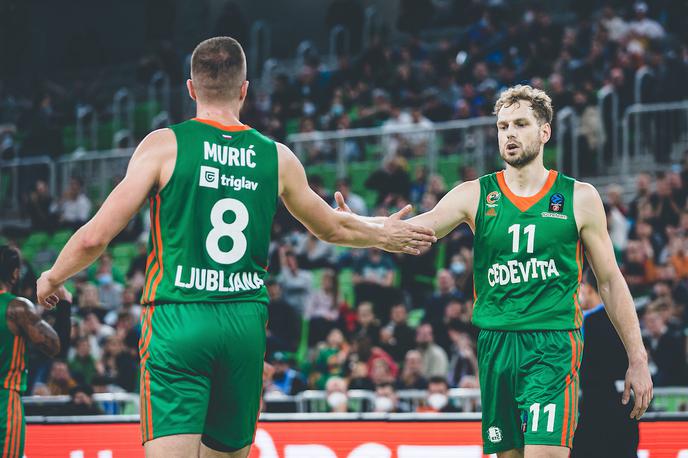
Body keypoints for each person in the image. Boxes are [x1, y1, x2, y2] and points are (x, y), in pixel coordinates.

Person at [36, 36, 436, 458]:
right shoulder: (276, 156)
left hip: (178, 318)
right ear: (245, 89)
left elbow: (96, 236)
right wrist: (383, 233)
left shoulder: (164, 145)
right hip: (244, 324)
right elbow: (331, 228)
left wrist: (52, 276)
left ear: (190, 88)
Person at [338, 84, 652, 457]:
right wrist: (359, 226)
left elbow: (611, 282)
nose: (510, 134)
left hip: (551, 343)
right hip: (495, 343)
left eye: (520, 124)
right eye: (503, 126)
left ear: (544, 131)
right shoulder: (474, 194)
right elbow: (415, 231)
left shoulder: (578, 197)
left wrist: (638, 357)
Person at [0, 245, 70, 457]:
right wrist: (65, 304)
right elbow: (57, 349)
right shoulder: (16, 308)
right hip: (4, 402)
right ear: (15, 273)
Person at [571, 270, 638, 458]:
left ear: (589, 288)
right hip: (624, 405)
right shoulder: (624, 320)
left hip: (595, 407)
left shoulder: (585, 322)